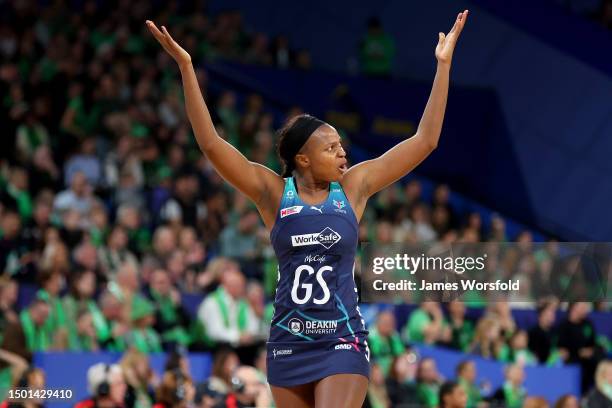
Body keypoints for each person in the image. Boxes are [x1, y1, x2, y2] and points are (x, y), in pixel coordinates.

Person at [146, 9, 469, 407]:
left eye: (340, 144)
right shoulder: (273, 193)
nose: (341, 152)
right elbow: (212, 144)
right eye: (330, 147)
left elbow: (424, 141)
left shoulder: (354, 187)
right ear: (303, 159)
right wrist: (186, 66)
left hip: (342, 338)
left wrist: (443, 66)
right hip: (288, 340)